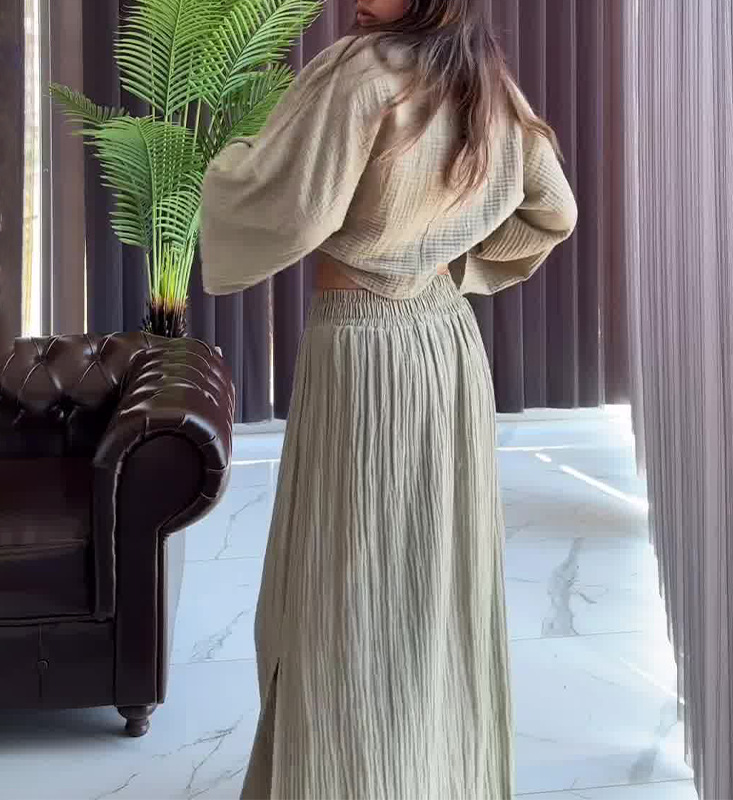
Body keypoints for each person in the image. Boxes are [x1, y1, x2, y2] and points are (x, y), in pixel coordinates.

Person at [200, 0, 577, 797]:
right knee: (438, 579)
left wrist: (230, 160)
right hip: (448, 346)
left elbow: (288, 202)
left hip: (362, 348)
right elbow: (556, 210)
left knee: (342, 582)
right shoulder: (486, 80)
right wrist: (453, 259)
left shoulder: (360, 71)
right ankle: (442, 775)